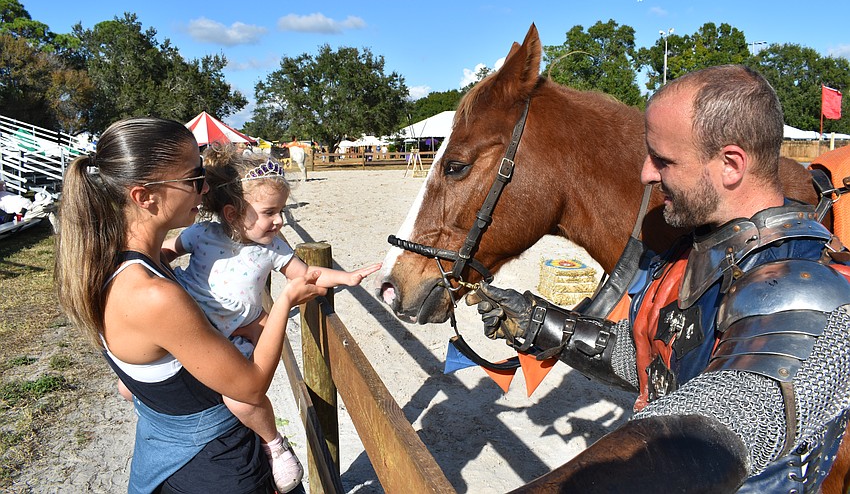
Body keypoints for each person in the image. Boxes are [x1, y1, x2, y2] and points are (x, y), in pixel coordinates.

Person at [472, 65, 850, 492]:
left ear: (730, 165)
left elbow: (720, 426)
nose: (646, 174)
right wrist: (541, 324)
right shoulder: (693, 248)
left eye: (664, 160)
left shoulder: (808, 282)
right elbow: (654, 360)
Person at [54, 117, 326, 494]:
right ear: (144, 196)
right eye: (194, 178)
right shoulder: (152, 293)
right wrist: (283, 303)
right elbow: (250, 387)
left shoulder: (112, 263)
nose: (206, 189)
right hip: (219, 468)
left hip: (173, 452)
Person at [160, 143, 380, 492]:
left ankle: (274, 444)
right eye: (270, 212)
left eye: (282, 211)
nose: (279, 220)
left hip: (232, 338)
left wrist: (346, 277)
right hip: (192, 330)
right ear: (232, 213)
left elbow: (305, 275)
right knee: (132, 386)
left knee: (242, 397)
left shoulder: (273, 248)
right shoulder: (200, 235)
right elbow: (164, 254)